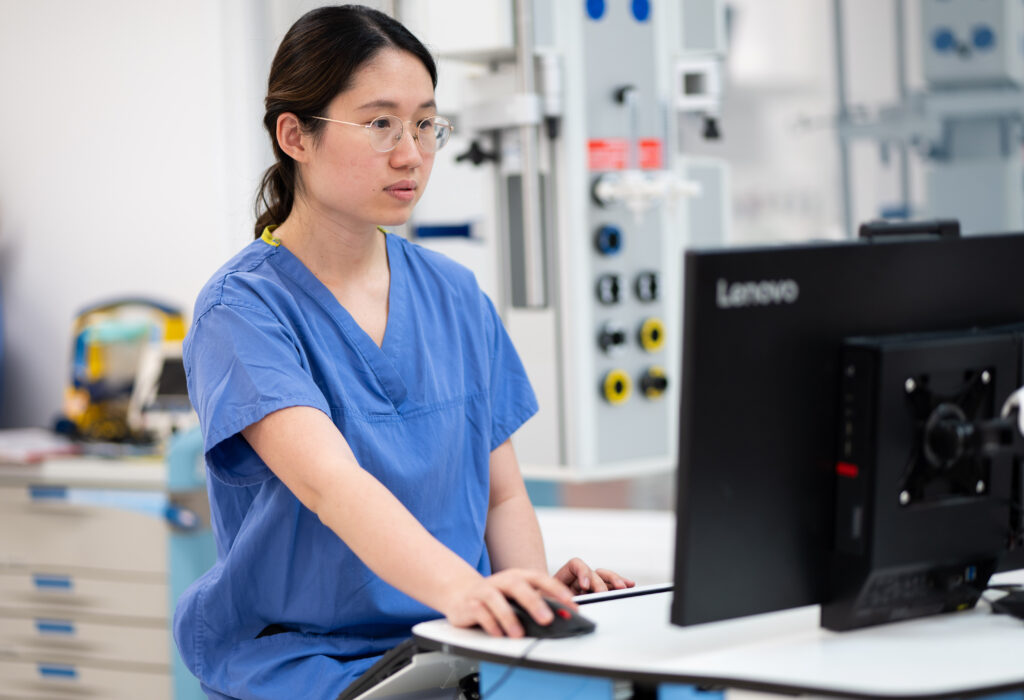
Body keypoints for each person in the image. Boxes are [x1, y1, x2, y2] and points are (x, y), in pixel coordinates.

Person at [173, 5, 634, 699]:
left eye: (425, 123)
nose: (411, 152)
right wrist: (469, 591)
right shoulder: (243, 310)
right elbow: (335, 486)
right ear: (295, 135)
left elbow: (503, 496)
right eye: (381, 123)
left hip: (444, 653)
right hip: (304, 668)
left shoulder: (454, 294)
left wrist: (526, 597)